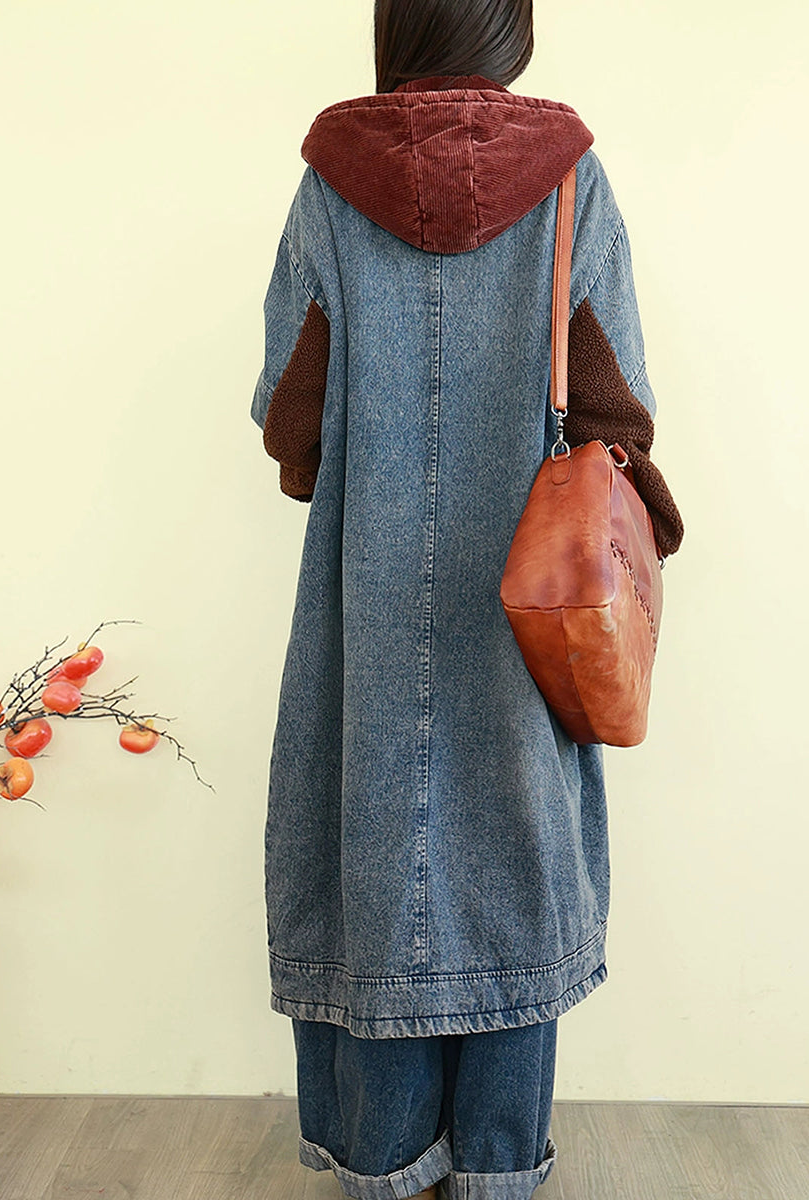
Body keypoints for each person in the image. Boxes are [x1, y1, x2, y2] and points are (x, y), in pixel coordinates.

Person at [250, 2, 685, 1197]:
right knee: (518, 859)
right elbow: (616, 414)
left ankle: (384, 1156)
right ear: (508, 31)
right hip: (531, 609)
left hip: (368, 599)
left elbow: (292, 422)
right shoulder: (571, 181)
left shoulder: (329, 186)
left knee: (370, 850)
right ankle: (496, 1165)